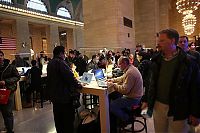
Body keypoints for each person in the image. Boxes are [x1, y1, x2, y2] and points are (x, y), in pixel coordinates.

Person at [143, 29, 200, 133]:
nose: (158, 43)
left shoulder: (189, 61)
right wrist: (146, 99)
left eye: (162, 41)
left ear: (173, 41)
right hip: (158, 106)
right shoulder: (156, 60)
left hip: (179, 107)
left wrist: (195, 113)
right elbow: (150, 82)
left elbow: (195, 88)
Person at [46, 46, 82, 133]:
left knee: (58, 120)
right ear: (61, 53)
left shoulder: (50, 63)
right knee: (67, 120)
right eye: (64, 53)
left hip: (55, 96)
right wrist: (78, 85)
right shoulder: (61, 63)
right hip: (64, 96)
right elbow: (69, 77)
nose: (65, 55)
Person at [107, 56, 143, 133]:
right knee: (116, 96)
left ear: (124, 63)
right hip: (136, 96)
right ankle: (123, 118)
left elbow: (124, 90)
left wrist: (113, 85)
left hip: (134, 99)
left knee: (112, 106)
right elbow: (122, 78)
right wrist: (112, 80)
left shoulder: (130, 72)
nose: (118, 66)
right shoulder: (130, 69)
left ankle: (127, 119)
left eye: (119, 64)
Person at [0, 50, 20, 133]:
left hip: (8, 91)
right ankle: (6, 126)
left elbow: (17, 77)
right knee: (3, 111)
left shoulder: (10, 66)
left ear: (3, 56)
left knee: (8, 111)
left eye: (1, 55)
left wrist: (6, 81)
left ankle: (10, 129)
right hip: (0, 92)